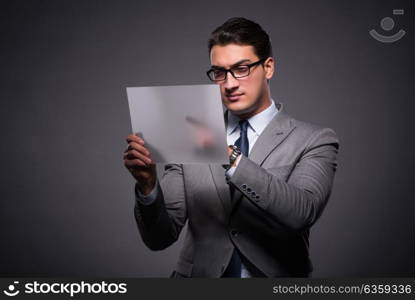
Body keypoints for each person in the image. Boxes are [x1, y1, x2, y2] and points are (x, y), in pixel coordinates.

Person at [123, 17, 339, 277]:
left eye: (242, 68)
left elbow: (301, 213)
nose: (230, 83)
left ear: (268, 67)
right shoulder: (187, 134)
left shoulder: (314, 139)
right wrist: (148, 185)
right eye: (219, 72)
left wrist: (228, 155)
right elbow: (159, 239)